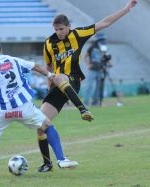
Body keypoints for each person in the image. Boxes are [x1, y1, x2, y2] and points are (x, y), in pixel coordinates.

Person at [37, 0, 137, 172]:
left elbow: (104, 23)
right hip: (58, 85)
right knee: (40, 124)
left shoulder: (78, 34)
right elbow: (48, 68)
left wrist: (126, 9)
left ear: (68, 26)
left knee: (60, 76)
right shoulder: (48, 44)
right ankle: (48, 163)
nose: (59, 32)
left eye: (61, 29)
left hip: (73, 80)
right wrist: (49, 87)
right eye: (56, 29)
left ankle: (83, 109)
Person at [0, 42, 78, 181]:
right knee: (47, 126)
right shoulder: (13, 60)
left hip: (1, 110)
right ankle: (61, 159)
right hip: (23, 107)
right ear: (0, 50)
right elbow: (35, 66)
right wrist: (50, 75)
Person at [83, 33, 111, 106]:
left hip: (100, 69)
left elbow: (106, 57)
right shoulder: (91, 47)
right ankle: (85, 103)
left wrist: (109, 63)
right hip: (92, 70)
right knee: (89, 86)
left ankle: (95, 103)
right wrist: (87, 65)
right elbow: (85, 57)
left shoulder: (103, 48)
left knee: (98, 87)